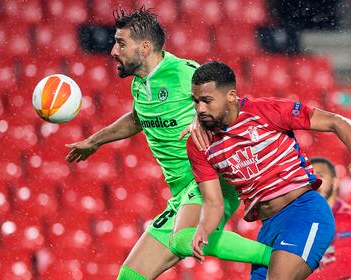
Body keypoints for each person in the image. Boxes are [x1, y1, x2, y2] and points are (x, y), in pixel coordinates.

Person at [65, 7, 271, 280]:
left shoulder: (184, 73)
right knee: (129, 276)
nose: (114, 50)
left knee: (183, 239)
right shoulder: (139, 84)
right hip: (181, 193)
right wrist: (94, 141)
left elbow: (230, 105)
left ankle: (278, 258)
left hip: (209, 179)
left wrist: (203, 121)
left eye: (121, 43)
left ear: (145, 47)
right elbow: (137, 119)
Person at [186, 61, 351, 279]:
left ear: (230, 96)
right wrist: (203, 228)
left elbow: (336, 121)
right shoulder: (198, 144)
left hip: (303, 212)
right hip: (268, 228)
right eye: (196, 101)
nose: (200, 109)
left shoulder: (267, 111)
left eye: (207, 101)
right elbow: (213, 202)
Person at [307, 157, 351, 280]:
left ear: (335, 183)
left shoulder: (345, 217)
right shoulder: (308, 219)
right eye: (311, 177)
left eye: (321, 175)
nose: (316, 181)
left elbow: (344, 266)